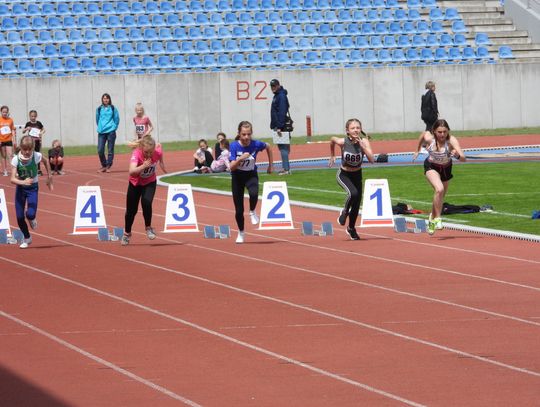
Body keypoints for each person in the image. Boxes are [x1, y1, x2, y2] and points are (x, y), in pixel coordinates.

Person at [412, 119, 466, 235]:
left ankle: (431, 218)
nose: (442, 135)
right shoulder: (430, 139)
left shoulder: (451, 141)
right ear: (434, 131)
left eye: (445, 132)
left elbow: (463, 158)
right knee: (439, 189)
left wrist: (457, 155)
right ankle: (438, 219)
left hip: (446, 169)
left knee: (440, 196)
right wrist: (417, 150)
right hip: (431, 166)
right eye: (439, 132)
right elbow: (422, 135)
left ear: (448, 131)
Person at [329, 119, 374, 241]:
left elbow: (372, 159)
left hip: (357, 175)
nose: (355, 130)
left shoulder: (364, 141)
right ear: (347, 131)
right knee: (352, 193)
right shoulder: (343, 142)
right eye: (353, 128)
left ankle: (351, 228)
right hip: (344, 174)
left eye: (358, 128)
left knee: (356, 204)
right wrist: (332, 155)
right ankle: (344, 212)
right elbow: (332, 139)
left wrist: (363, 147)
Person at [230, 121, 273, 244]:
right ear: (239, 134)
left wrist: (271, 165)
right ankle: (241, 232)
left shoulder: (256, 144)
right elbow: (231, 167)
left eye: (248, 134)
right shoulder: (234, 146)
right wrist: (241, 158)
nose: (246, 137)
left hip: (251, 175)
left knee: (254, 193)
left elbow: (269, 147)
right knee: (238, 210)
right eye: (243, 134)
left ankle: (252, 211)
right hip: (237, 177)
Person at [121, 135, 167, 246]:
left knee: (146, 202)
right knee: (131, 211)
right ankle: (127, 233)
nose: (149, 155)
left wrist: (165, 169)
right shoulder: (136, 154)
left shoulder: (157, 152)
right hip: (135, 184)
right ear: (142, 148)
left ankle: (148, 228)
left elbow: (160, 159)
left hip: (150, 182)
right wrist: (143, 166)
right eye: (146, 152)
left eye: (151, 152)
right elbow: (131, 171)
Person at [10, 135, 53, 249]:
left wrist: (49, 176)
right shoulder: (16, 159)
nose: (27, 152)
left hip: (33, 188)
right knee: (19, 217)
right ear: (21, 148)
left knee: (30, 214)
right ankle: (27, 238)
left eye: (30, 149)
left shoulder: (36, 156)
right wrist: (23, 182)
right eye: (25, 149)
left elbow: (46, 161)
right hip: (21, 189)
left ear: (33, 148)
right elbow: (12, 179)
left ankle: (32, 219)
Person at [270, 79, 292, 176]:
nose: (273, 87)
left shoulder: (281, 96)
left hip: (281, 126)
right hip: (278, 125)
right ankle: (285, 168)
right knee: (283, 147)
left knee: (283, 148)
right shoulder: (278, 95)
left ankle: (286, 169)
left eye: (274, 86)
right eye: (271, 86)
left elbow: (282, 112)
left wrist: (279, 126)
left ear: (278, 85)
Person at [96, 93, 120, 173]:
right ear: (102, 99)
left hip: (111, 132)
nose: (105, 100)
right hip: (101, 132)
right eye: (104, 98)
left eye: (107, 98)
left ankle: (108, 166)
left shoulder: (113, 108)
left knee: (110, 150)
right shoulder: (99, 109)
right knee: (100, 150)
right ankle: (104, 165)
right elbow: (97, 119)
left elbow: (117, 118)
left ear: (109, 99)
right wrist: (100, 126)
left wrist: (114, 127)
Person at [22, 110, 45, 175]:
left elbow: (44, 129)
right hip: (30, 142)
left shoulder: (39, 123)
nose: (33, 117)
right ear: (29, 116)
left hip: (37, 141)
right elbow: (23, 131)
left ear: (36, 116)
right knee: (30, 155)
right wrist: (26, 129)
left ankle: (38, 169)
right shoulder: (28, 124)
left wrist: (41, 132)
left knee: (37, 155)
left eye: (34, 116)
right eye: (32, 116)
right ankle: (30, 168)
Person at [0, 105, 17, 177]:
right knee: (3, 156)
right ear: (1, 112)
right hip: (1, 140)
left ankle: (13, 171)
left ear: (7, 112)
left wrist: (14, 140)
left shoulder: (10, 120)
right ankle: (5, 171)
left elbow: (13, 130)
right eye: (3, 112)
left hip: (9, 139)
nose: (4, 113)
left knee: (10, 155)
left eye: (6, 112)